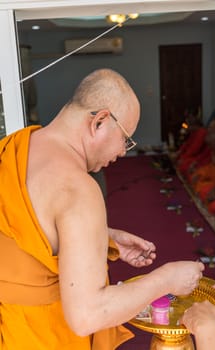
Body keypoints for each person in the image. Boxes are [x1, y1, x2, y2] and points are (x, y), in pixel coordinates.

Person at [0, 68, 204, 350]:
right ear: (99, 121)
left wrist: (100, 235)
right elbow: (87, 315)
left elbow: (28, 227)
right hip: (46, 337)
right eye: (126, 139)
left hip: (10, 329)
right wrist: (166, 279)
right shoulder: (78, 189)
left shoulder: (13, 147)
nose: (123, 152)